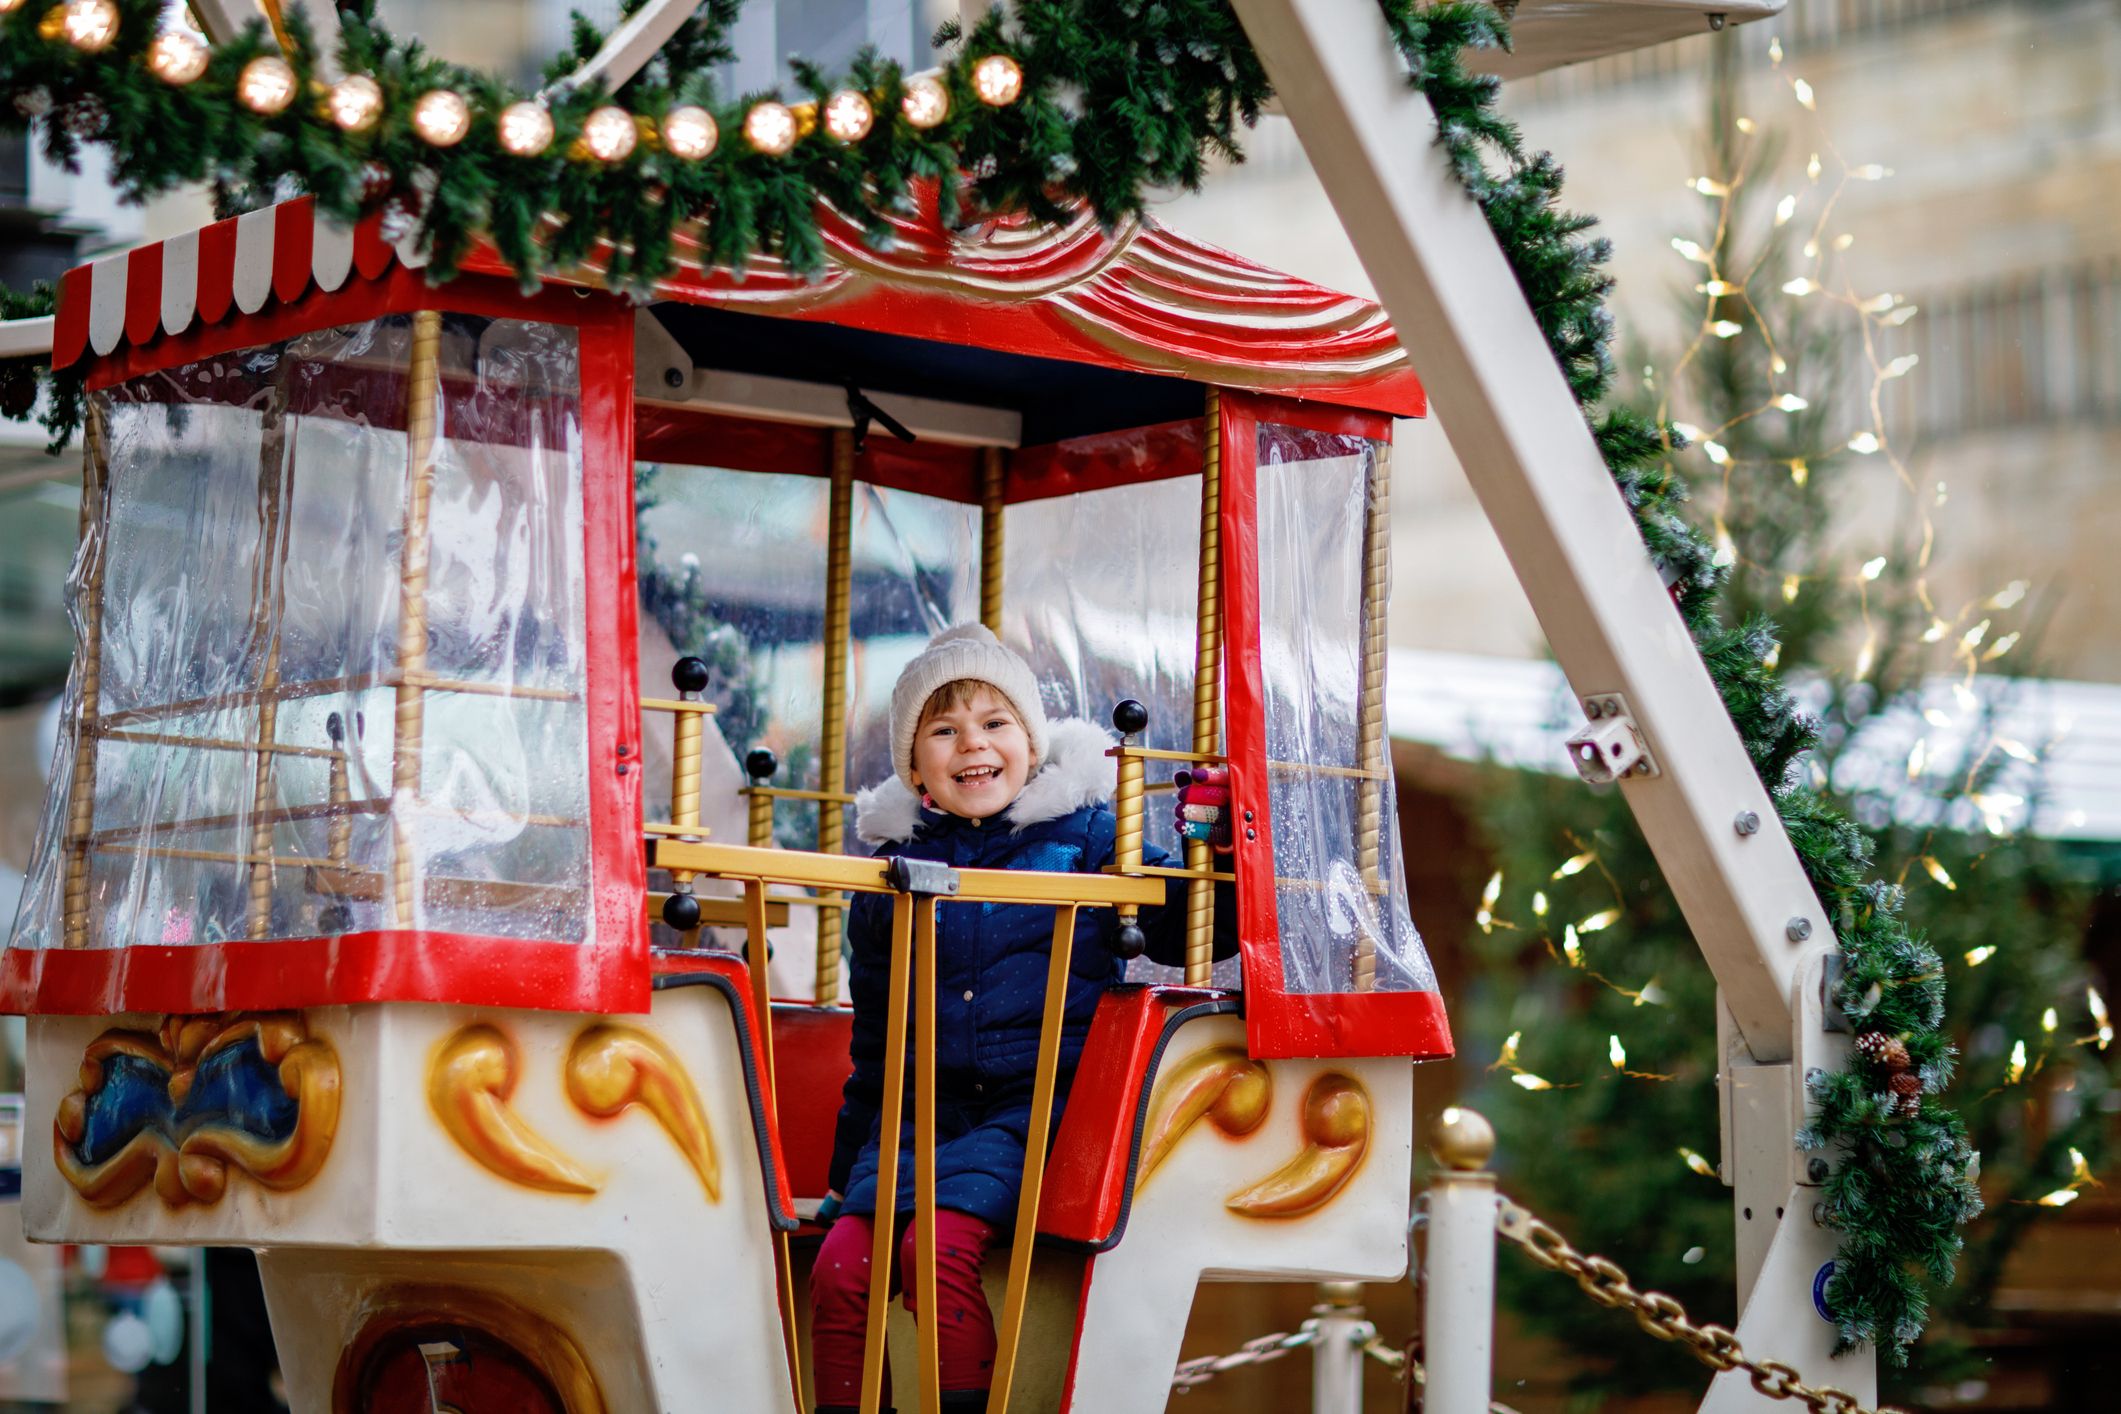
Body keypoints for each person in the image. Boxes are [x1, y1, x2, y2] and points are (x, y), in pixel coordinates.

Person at [810, 624, 1236, 1414]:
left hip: (1033, 1106)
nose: (972, 743)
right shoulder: (890, 877)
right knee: (838, 1269)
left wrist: (1211, 846)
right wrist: (844, 1175)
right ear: (914, 767)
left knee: (934, 1250)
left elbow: (1192, 931)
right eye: (943, 730)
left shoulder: (1089, 839)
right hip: (917, 1116)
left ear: (1031, 743)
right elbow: (876, 1043)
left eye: (994, 722)